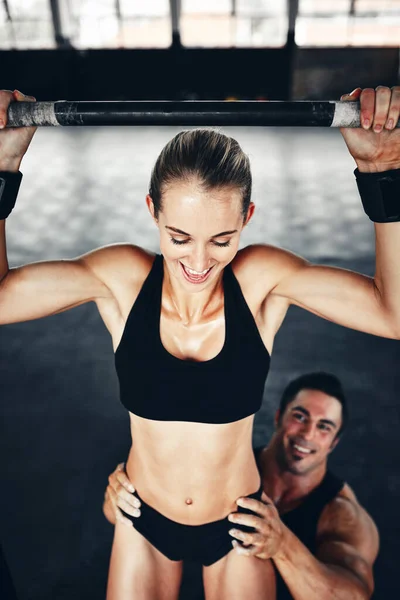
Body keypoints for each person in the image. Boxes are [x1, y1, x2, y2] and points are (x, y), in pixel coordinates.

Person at [0, 86, 398, 600]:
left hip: (236, 528)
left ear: (246, 219)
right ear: (153, 212)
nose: (199, 263)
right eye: (180, 237)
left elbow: (391, 314)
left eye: (222, 240)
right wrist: (4, 166)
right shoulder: (121, 280)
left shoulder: (260, 282)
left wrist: (382, 173)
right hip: (144, 519)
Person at [103, 372, 379, 600]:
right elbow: (140, 516)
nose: (308, 434)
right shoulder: (227, 469)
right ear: (279, 416)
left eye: (324, 427)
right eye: (300, 416)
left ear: (334, 443)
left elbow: (353, 596)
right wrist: (119, 493)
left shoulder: (342, 514)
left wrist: (283, 546)